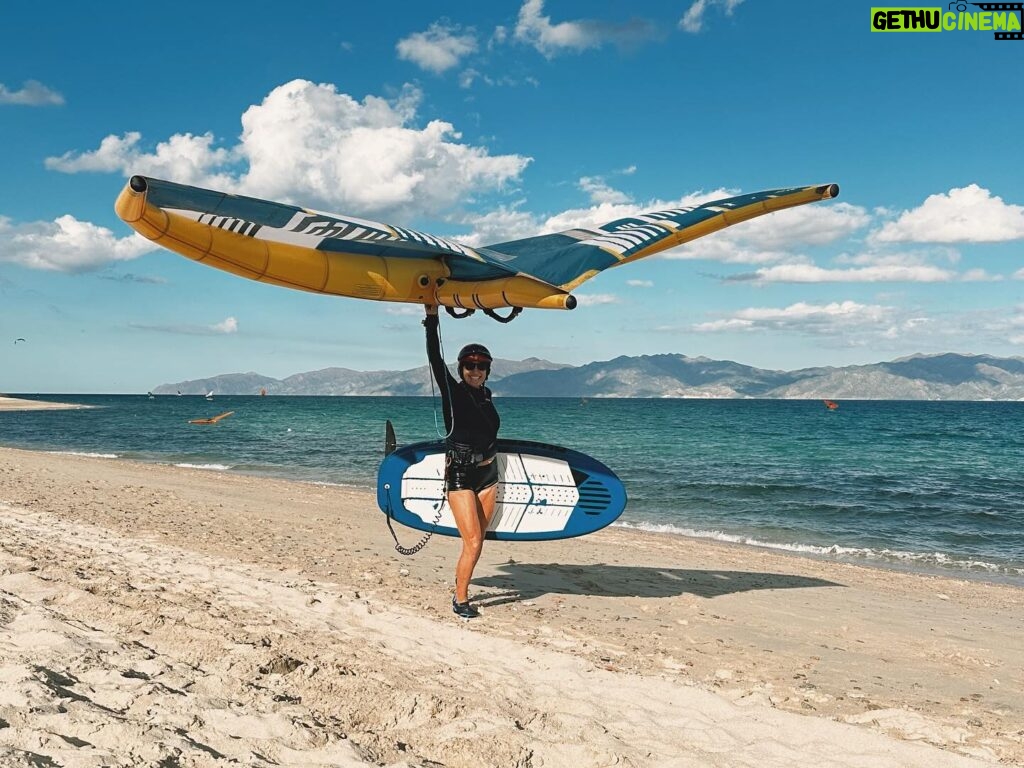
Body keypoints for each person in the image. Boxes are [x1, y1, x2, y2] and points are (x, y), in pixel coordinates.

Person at [423, 305, 500, 619]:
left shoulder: (486, 395)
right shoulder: (453, 393)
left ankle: (461, 582)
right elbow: (434, 358)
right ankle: (460, 599)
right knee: (471, 539)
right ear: (461, 368)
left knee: (477, 541)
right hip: (461, 476)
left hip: (489, 475)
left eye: (481, 365)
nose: (475, 370)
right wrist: (431, 318)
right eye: (469, 365)